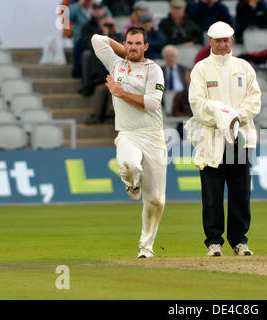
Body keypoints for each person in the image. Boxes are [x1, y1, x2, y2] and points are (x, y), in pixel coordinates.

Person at [91, 26, 167, 258]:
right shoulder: (116, 65)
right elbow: (96, 39)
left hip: (153, 135)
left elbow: (153, 103)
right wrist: (121, 48)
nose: (133, 48)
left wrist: (120, 92)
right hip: (127, 133)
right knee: (130, 164)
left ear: (146, 46)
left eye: (138, 44)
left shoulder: (153, 69)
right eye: (129, 43)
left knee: (156, 200)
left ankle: (146, 247)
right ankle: (132, 183)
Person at [187, 21, 261, 257]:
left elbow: (254, 101)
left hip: (240, 137)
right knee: (212, 193)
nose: (222, 44)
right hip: (211, 138)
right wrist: (222, 119)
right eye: (217, 40)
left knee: (241, 193)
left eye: (226, 40)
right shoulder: (201, 69)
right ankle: (214, 242)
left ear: (232, 40)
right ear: (210, 41)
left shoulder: (244, 67)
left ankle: (240, 241)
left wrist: (234, 118)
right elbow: (198, 105)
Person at [79, 7, 124, 96]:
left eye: (109, 25)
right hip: (99, 61)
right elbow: (90, 45)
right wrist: (105, 33)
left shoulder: (116, 34)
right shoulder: (96, 34)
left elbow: (123, 47)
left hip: (113, 64)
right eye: (105, 24)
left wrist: (116, 30)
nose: (108, 27)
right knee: (87, 55)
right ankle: (92, 82)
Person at [69, 0, 112, 78]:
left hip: (97, 37)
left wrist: (95, 5)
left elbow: (109, 18)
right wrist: (80, 3)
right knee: (85, 51)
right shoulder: (75, 7)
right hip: (80, 38)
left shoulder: (99, 6)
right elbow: (69, 16)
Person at [172, 69, 193, 138]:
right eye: (188, 76)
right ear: (185, 78)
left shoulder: (204, 94)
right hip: (183, 125)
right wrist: (187, 117)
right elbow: (175, 112)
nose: (190, 79)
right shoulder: (179, 95)